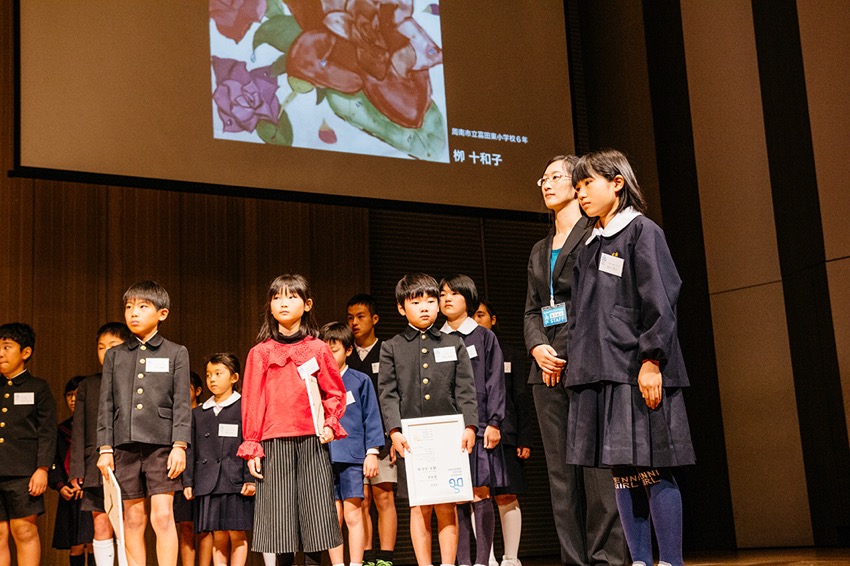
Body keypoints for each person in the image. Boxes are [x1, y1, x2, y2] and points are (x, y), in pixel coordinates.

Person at [567, 149, 696, 566]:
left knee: (653, 465)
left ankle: (670, 561)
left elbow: (660, 298)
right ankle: (639, 559)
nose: (580, 192)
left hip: (636, 367)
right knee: (622, 470)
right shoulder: (588, 243)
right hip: (599, 369)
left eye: (588, 183)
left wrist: (651, 360)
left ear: (616, 183)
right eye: (579, 185)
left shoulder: (642, 232)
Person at [524, 155, 627, 566]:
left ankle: (608, 559)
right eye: (542, 178)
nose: (547, 184)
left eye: (555, 177)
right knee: (561, 476)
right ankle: (573, 559)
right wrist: (537, 348)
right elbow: (533, 310)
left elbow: (598, 304)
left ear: (577, 184)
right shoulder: (537, 249)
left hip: (584, 364)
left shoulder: (595, 235)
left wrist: (560, 353)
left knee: (599, 473)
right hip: (544, 370)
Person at [237, 274, 346, 566]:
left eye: (292, 296)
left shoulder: (318, 348)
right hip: (274, 443)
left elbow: (335, 392)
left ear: (307, 304)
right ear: (270, 306)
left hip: (312, 441)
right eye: (277, 297)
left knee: (316, 519)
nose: (283, 303)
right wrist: (252, 443)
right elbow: (252, 400)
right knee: (280, 523)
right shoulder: (260, 353)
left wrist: (329, 423)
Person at [378, 273, 478, 566]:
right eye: (416, 301)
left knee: (447, 506)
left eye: (431, 301)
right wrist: (394, 431)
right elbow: (388, 393)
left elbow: (465, 389)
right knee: (419, 506)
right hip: (413, 440)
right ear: (401, 308)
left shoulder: (454, 343)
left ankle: (448, 563)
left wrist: (470, 425)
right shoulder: (392, 347)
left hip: (449, 437)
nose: (425, 307)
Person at [96, 281, 192, 566]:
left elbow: (181, 404)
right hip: (123, 447)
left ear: (162, 314)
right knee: (132, 518)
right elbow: (106, 404)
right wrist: (104, 448)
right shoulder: (115, 355)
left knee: (163, 516)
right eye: (129, 307)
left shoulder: (176, 352)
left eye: (142, 306)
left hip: (162, 446)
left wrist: (180, 445)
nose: (133, 313)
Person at [439, 275, 506, 566]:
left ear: (468, 298)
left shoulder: (483, 336)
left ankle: (482, 561)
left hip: (478, 427)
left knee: (480, 491)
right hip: (444, 431)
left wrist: (494, 421)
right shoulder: (434, 337)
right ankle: (463, 561)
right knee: (455, 496)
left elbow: (495, 381)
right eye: (442, 294)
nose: (446, 299)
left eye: (454, 294)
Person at [472, 300, 532, 566]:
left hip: (506, 435)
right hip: (474, 434)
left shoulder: (512, 354)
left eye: (481, 315)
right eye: (472, 315)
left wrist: (524, 438)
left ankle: (511, 558)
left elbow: (522, 398)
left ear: (493, 319)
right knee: (478, 494)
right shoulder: (464, 354)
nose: (476, 319)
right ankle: (489, 558)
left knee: (507, 495)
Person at [321, 322, 385, 566]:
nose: (329, 356)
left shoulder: (360, 380)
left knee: (353, 511)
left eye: (334, 350)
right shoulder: (316, 382)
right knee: (332, 515)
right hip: (324, 456)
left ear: (348, 350)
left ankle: (356, 563)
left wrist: (372, 453)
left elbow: (372, 417)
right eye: (324, 351)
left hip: (352, 455)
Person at [69, 321, 131, 566]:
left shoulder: (136, 381)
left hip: (129, 461)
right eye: (101, 347)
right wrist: (77, 469)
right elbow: (79, 429)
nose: (106, 352)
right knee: (100, 521)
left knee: (130, 523)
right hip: (95, 463)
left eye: (113, 346)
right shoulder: (88, 385)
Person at [184, 353, 254, 566]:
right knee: (217, 534)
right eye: (208, 375)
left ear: (234, 378)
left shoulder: (244, 408)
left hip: (235, 481)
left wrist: (250, 478)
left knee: (237, 534)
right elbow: (191, 450)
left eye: (218, 374)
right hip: (207, 482)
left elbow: (251, 444)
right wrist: (188, 482)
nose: (212, 379)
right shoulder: (199, 413)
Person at [0, 322, 57, 566]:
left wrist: (42, 469)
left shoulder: (38, 388)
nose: (0, 353)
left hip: (24, 473)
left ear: (25, 352)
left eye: (6, 347)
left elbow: (47, 432)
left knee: (24, 531)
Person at [346, 294, 397, 566]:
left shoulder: (387, 350)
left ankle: (386, 558)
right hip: (355, 441)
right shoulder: (346, 354)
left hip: (385, 438)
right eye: (350, 318)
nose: (354, 322)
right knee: (360, 499)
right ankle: (365, 558)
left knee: (384, 495)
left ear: (375, 319)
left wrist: (394, 435)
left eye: (361, 316)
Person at [49, 375, 93, 566]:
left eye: (78, 394)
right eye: (69, 395)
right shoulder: (61, 430)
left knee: (93, 540)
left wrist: (89, 484)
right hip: (69, 493)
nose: (73, 399)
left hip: (92, 491)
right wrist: (60, 486)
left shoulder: (97, 427)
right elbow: (55, 462)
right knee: (74, 542)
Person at [176, 371, 209, 566]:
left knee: (205, 526)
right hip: (180, 475)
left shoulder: (205, 413)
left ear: (197, 390)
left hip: (205, 475)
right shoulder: (174, 417)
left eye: (186, 388)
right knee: (185, 525)